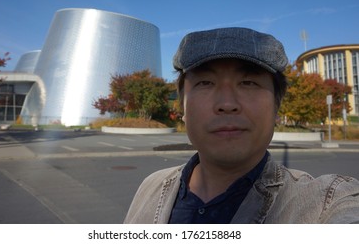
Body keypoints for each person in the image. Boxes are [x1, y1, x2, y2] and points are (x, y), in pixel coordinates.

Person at [124, 27, 359, 224]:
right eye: (205, 82)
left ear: (277, 105)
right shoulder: (151, 187)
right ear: (182, 107)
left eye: (248, 82)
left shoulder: (326, 204)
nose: (227, 104)